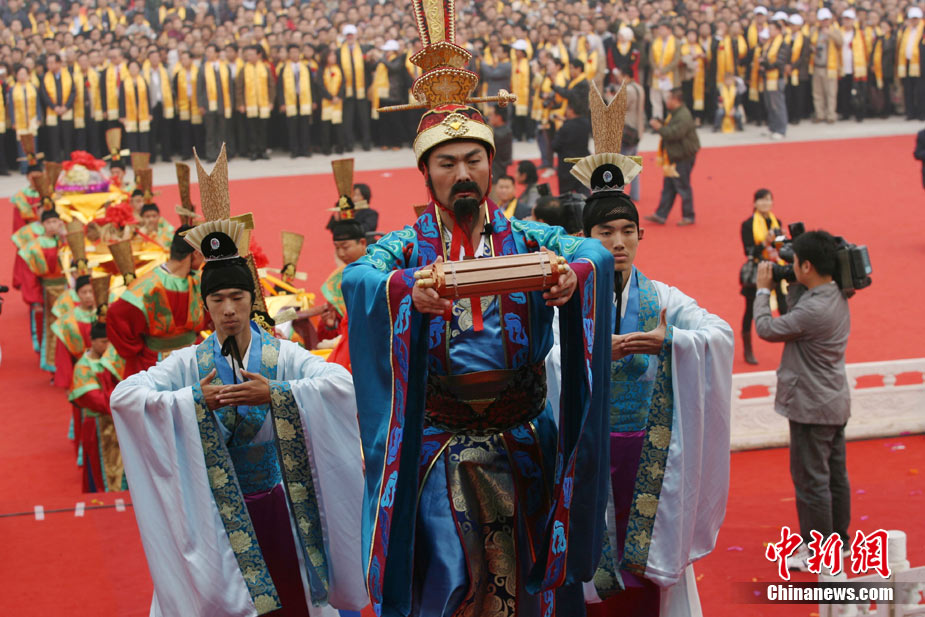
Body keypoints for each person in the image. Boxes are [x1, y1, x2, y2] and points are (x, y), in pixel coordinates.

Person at [342, 6, 613, 614]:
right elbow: (358, 277)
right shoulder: (405, 248)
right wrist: (405, 289)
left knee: (532, 584)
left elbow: (593, 252)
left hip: (525, 442)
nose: (462, 174)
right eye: (447, 163)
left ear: (493, 166)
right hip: (440, 449)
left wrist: (572, 276)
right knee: (451, 583)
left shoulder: (532, 239)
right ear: (426, 173)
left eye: (474, 160)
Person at [110, 220, 367, 617]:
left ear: (253, 299)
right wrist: (192, 400)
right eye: (217, 299)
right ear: (205, 305)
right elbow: (125, 396)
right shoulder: (188, 363)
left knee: (288, 597)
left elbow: (340, 384)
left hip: (277, 505)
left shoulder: (282, 356)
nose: (228, 309)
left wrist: (277, 393)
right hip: (213, 508)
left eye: (237, 297)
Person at [580, 168, 733, 617]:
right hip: (586, 453)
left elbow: (718, 333)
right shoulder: (568, 302)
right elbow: (544, 356)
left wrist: (673, 341)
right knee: (588, 565)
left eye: (628, 230)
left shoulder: (663, 298)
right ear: (584, 238)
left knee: (648, 568)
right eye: (606, 232)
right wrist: (591, 352)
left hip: (649, 453)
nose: (619, 242)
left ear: (641, 235)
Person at [753, 230, 851, 571]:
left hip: (812, 406)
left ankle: (819, 553)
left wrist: (763, 289)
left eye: (794, 262)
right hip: (833, 399)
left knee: (811, 482)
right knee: (834, 476)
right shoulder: (835, 292)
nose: (789, 266)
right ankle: (839, 543)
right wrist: (792, 279)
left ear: (807, 266)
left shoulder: (814, 310)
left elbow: (766, 328)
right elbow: (799, 307)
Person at [106, 226, 208, 377]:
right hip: (156, 363)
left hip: (194, 358)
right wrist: (137, 350)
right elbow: (115, 315)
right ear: (196, 253)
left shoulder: (197, 280)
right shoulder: (148, 286)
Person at [68, 320, 126, 493]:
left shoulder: (112, 360)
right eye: (103, 342)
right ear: (92, 341)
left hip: (119, 422)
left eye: (109, 342)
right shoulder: (82, 368)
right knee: (100, 469)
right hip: (98, 426)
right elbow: (96, 400)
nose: (107, 346)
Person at [740, 189, 788, 365]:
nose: (765, 203)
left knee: (784, 308)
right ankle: (748, 349)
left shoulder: (777, 222)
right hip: (758, 271)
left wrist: (780, 240)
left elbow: (781, 249)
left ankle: (791, 346)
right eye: (762, 200)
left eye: (768, 200)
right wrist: (765, 242)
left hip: (776, 268)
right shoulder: (748, 225)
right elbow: (749, 251)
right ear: (755, 203)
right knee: (750, 310)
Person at [646, 88, 700, 226]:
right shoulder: (676, 114)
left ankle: (688, 216)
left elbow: (674, 134)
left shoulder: (683, 116)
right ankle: (661, 214)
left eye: (669, 98)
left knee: (682, 186)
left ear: (675, 100)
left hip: (682, 156)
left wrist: (659, 127)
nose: (667, 101)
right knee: (669, 187)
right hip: (674, 156)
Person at [236, 45, 275, 160]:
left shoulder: (265, 68)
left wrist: (271, 101)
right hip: (250, 104)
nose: (249, 57)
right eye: (248, 55)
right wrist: (240, 103)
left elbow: (271, 86)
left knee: (263, 129)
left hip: (264, 103)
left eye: (252, 54)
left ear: (258, 55)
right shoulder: (244, 69)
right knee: (251, 129)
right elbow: (239, 88)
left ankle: (263, 150)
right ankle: (253, 151)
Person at [198, 43, 233, 162]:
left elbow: (230, 87)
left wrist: (231, 103)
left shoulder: (225, 67)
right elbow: (199, 88)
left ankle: (222, 155)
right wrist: (200, 104)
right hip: (208, 104)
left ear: (217, 53)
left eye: (210, 51)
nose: (208, 54)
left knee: (222, 132)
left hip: (223, 104)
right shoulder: (203, 68)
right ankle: (211, 154)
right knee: (210, 132)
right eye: (207, 52)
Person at [277, 44, 313, 158]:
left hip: (304, 99)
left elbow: (312, 85)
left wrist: (313, 101)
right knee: (292, 127)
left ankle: (305, 149)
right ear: (289, 54)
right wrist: (282, 103)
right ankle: (294, 150)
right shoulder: (284, 69)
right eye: (292, 52)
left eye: (296, 52)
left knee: (305, 127)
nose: (294, 54)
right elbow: (280, 88)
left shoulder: (306, 67)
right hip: (290, 101)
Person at [339, 24, 372, 152]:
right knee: (348, 120)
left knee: (364, 119)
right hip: (347, 92)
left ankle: (366, 143)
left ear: (355, 36)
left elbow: (369, 69)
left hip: (361, 90)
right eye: (348, 35)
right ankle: (349, 144)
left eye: (351, 35)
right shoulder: (339, 51)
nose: (350, 37)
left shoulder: (364, 49)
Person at [551, 93, 591, 195]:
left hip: (567, 167)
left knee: (566, 196)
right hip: (583, 164)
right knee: (584, 193)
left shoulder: (566, 127)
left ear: (571, 110)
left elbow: (555, 145)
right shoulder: (586, 123)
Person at [40, 53, 75, 162]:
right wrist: (54, 107)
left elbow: (73, 92)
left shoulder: (68, 74)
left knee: (67, 139)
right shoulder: (45, 77)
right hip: (52, 111)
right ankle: (56, 162)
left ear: (59, 63)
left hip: (66, 111)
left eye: (52, 62)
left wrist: (66, 107)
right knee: (54, 140)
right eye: (48, 63)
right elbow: (44, 95)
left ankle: (67, 161)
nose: (49, 65)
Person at [811, 9, 844, 124]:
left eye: (826, 20)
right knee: (817, 93)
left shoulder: (835, 31)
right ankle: (820, 114)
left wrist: (830, 34)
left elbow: (840, 42)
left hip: (830, 67)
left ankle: (831, 115)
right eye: (822, 20)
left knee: (830, 93)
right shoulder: (814, 31)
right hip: (817, 65)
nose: (824, 22)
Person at [761, 18, 790, 139]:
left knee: (778, 104)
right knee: (770, 104)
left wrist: (766, 64)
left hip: (777, 77)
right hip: (767, 78)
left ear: (778, 30)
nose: (769, 31)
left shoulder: (782, 44)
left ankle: (781, 129)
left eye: (771, 29)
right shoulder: (769, 43)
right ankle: (773, 127)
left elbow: (780, 62)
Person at [119, 60, 151, 155]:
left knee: (143, 136)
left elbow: (148, 98)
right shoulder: (124, 82)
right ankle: (133, 159)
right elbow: (121, 100)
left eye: (135, 67)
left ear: (138, 69)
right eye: (131, 67)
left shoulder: (143, 81)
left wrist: (150, 113)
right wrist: (122, 115)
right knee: (131, 137)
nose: (133, 69)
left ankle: (144, 158)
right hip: (129, 114)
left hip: (143, 113)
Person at [488, 104, 512, 180]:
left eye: (491, 115)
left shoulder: (498, 134)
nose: (489, 118)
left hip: (495, 171)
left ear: (498, 117)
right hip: (498, 169)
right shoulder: (506, 130)